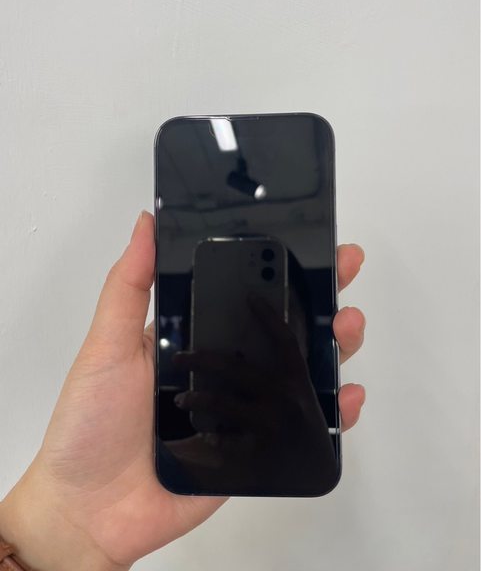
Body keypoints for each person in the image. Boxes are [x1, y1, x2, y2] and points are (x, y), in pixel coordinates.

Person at [0, 211, 366, 571]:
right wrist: (68, 518)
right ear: (188, 349)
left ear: (303, 347)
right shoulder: (157, 462)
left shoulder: (307, 456)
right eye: (223, 329)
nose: (239, 355)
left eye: (265, 332)